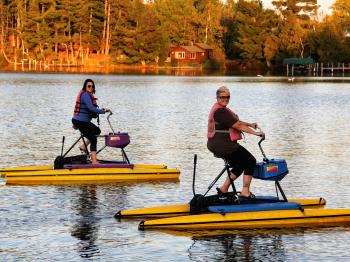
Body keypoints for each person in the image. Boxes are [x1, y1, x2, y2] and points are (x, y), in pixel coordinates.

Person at [207, 86, 264, 198]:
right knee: (250, 161)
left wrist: (249, 124)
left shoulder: (221, 110)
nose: (225, 99)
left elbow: (235, 121)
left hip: (217, 144)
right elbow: (237, 125)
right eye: (222, 97)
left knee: (241, 163)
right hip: (223, 145)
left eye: (227, 97)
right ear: (217, 97)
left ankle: (224, 188)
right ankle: (245, 191)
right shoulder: (219, 111)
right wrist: (256, 133)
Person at [72, 79, 110, 164]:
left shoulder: (89, 95)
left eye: (92, 86)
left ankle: (83, 146)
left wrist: (103, 110)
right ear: (85, 87)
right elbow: (91, 108)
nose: (91, 88)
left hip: (83, 122)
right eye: (89, 86)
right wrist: (104, 111)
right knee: (93, 139)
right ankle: (94, 161)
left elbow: (93, 109)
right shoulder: (85, 95)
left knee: (97, 131)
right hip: (80, 122)